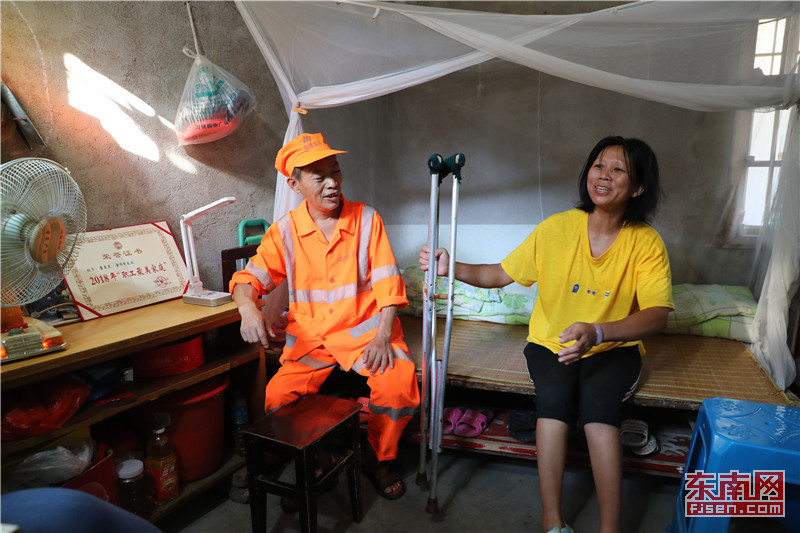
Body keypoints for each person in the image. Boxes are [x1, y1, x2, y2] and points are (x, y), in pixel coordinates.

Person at [420, 136, 673, 533]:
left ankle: (610, 529)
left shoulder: (645, 242)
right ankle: (552, 519)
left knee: (599, 411)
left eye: (618, 169)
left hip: (612, 345)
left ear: (638, 187)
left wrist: (599, 332)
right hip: (551, 343)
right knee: (553, 399)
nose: (604, 176)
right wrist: (452, 267)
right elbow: (500, 274)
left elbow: (658, 315)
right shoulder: (556, 229)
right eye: (598, 165)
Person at [230, 132, 420, 501]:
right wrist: (247, 307)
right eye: (319, 176)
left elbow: (389, 285)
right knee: (277, 396)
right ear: (295, 185)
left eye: (336, 171)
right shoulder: (285, 231)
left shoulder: (366, 219)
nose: (332, 182)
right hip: (313, 338)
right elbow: (247, 279)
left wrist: (383, 336)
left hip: (367, 333)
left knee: (398, 385)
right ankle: (319, 460)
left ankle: (378, 458)